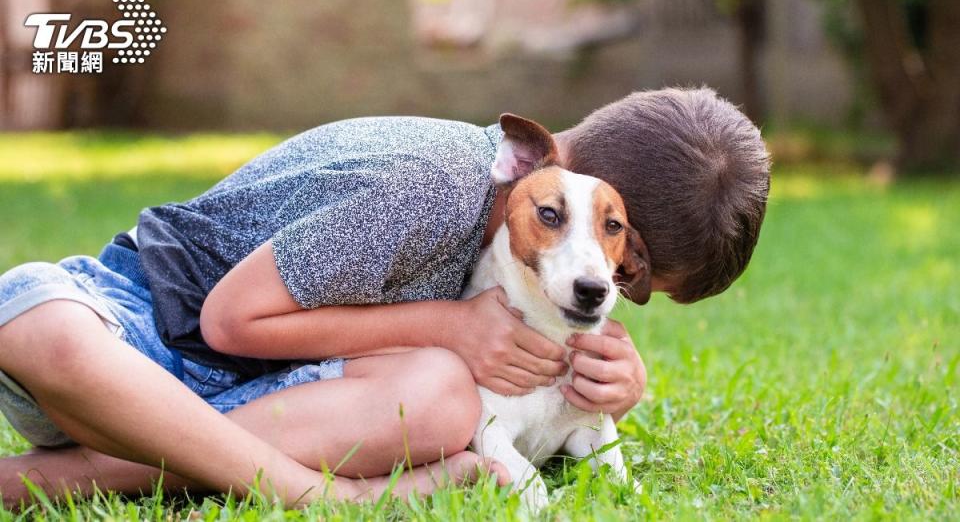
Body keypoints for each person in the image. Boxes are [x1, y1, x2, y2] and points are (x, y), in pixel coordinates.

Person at [0, 87, 770, 506]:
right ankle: (315, 495)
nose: (607, 285)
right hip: (146, 330)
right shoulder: (436, 185)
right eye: (623, 268)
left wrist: (607, 385)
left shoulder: (514, 240)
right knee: (42, 328)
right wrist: (449, 327)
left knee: (437, 401)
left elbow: (510, 383)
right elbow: (228, 320)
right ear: (576, 194)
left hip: (266, 395)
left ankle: (98, 468)